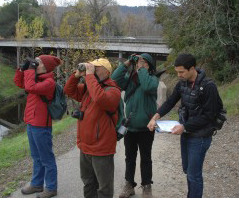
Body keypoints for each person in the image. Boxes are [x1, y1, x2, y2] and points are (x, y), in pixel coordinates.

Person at [147, 53, 220, 198]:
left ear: (192, 68)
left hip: (200, 136)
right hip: (186, 133)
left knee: (194, 174)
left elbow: (209, 116)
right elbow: (170, 101)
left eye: (181, 72)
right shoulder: (182, 83)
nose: (179, 75)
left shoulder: (208, 86)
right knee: (187, 170)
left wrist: (184, 126)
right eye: (177, 72)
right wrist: (155, 117)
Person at [64, 58, 121, 198]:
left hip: (101, 148)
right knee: (88, 182)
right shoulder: (89, 88)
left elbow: (100, 99)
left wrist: (89, 76)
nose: (92, 70)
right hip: (85, 146)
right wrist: (76, 76)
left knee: (104, 187)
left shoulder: (114, 91)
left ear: (106, 71)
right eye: (91, 67)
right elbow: (68, 90)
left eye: (96, 68)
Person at [111, 53, 159, 198]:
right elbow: (114, 80)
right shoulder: (130, 79)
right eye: (139, 62)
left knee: (146, 158)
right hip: (130, 127)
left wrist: (142, 69)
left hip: (146, 127)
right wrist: (127, 63)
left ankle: (146, 186)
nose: (140, 64)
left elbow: (146, 86)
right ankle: (129, 185)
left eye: (144, 62)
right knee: (129, 157)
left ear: (150, 66)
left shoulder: (153, 79)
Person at [13, 55, 61, 198]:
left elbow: (30, 87)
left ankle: (51, 187)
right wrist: (22, 69)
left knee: (46, 158)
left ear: (46, 67)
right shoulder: (36, 78)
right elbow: (19, 83)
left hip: (41, 125)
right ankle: (37, 184)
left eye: (37, 63)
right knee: (36, 156)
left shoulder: (49, 82)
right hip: (31, 122)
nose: (34, 64)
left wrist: (30, 70)